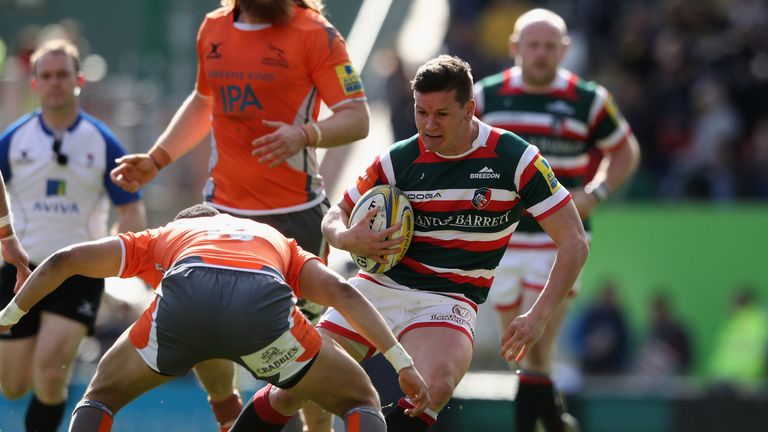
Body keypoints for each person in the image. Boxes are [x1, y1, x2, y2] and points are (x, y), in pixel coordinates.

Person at [264, 54, 589, 431]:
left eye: (441, 114)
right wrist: (347, 236)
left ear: (469, 109)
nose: (428, 125)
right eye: (421, 112)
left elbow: (574, 241)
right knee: (292, 384)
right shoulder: (399, 158)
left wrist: (539, 315)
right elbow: (334, 215)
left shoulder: (514, 158)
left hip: (449, 299)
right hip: (376, 288)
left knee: (433, 390)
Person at [109, 1, 370, 429]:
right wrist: (156, 160)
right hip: (221, 213)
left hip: (294, 216)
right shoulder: (213, 27)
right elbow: (203, 100)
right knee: (204, 329)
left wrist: (306, 134)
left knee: (304, 353)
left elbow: (357, 117)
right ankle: (228, 414)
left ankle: (315, 429)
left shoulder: (316, 33)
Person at [0, 204, 430, 432]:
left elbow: (65, 259)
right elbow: (340, 290)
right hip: (263, 310)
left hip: (183, 304)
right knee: (361, 399)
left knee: (99, 398)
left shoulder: (167, 235)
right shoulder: (276, 239)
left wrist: (10, 314)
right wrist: (401, 363)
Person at [473, 8, 641, 431]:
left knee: (535, 339)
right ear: (515, 47)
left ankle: (529, 424)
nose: (541, 54)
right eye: (533, 45)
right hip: (502, 241)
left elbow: (625, 150)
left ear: (565, 50)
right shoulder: (484, 97)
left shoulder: (589, 99)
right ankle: (555, 417)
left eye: (550, 46)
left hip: (560, 240)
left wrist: (598, 191)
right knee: (529, 353)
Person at [0, 38, 146, 432]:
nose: (55, 83)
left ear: (78, 80)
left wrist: (118, 256)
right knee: (12, 385)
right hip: (19, 269)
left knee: (50, 370)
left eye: (63, 74)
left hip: (77, 272)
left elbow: (131, 208)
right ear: (34, 84)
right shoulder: (14, 140)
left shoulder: (102, 142)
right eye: (46, 76)